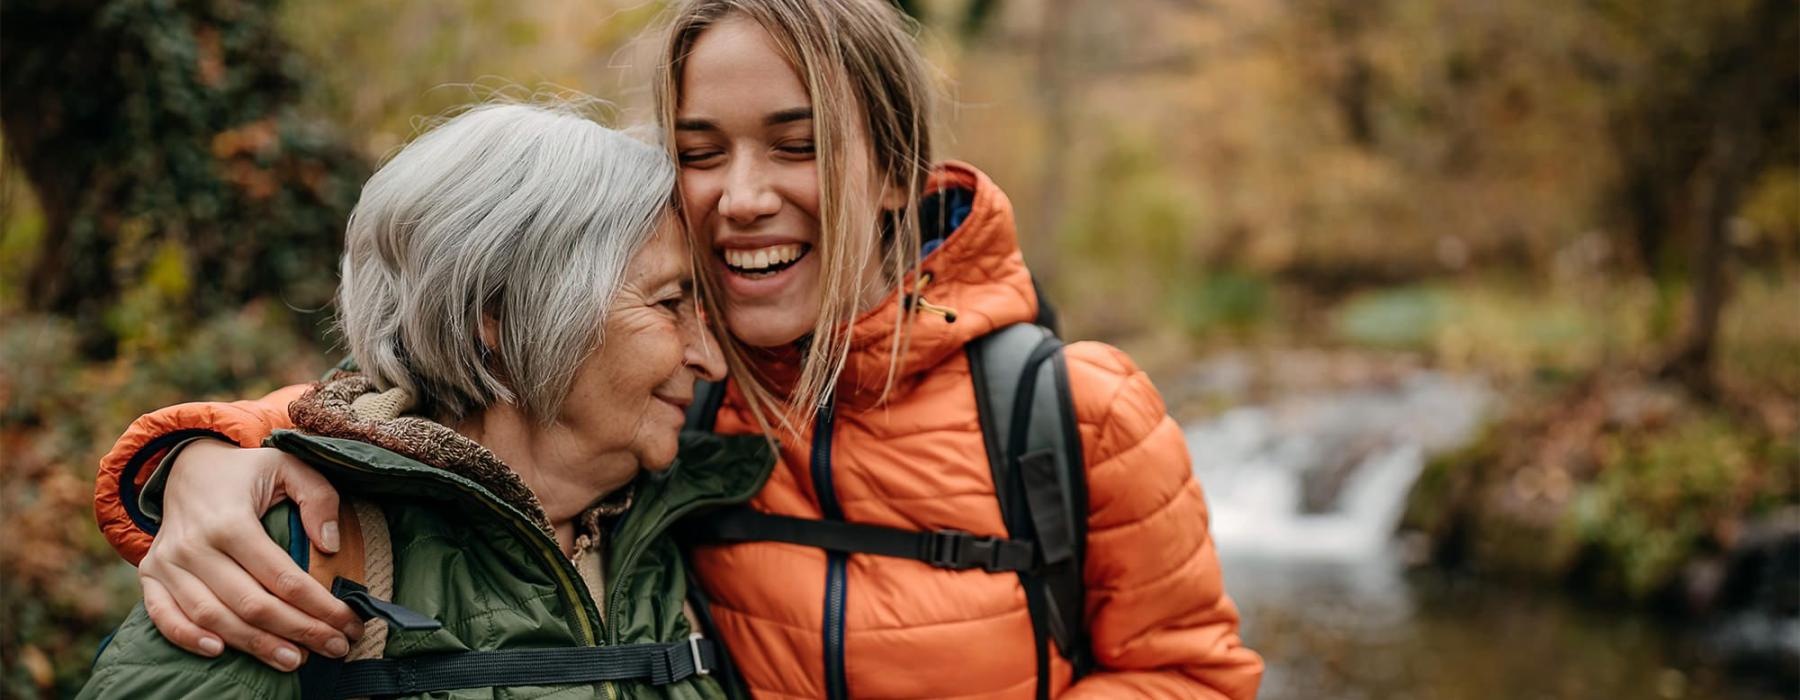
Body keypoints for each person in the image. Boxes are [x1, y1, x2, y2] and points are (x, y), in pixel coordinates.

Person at [90, 1, 1265, 697]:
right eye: (701, 150)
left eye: (796, 146)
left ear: (898, 171)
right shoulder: (672, 399)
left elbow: (1199, 674)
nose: (742, 197)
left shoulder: (1071, 409)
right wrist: (205, 455)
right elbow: (422, 409)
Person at [80, 101, 765, 698]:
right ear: (501, 314)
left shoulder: (682, 533)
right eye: (670, 302)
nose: (708, 358)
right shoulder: (291, 561)